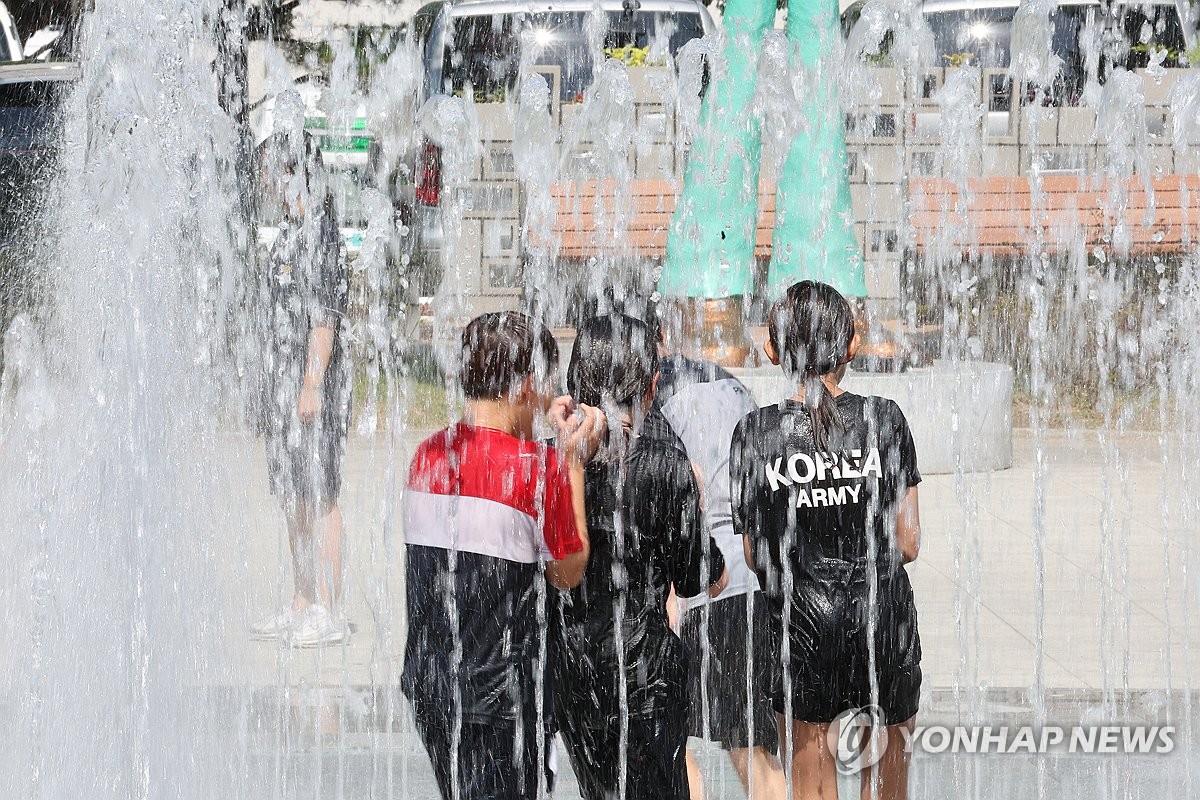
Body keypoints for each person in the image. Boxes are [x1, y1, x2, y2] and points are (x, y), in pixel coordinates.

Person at [730, 281, 922, 800]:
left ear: (773, 351)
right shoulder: (885, 421)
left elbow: (753, 555)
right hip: (882, 620)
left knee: (811, 788)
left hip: (801, 624)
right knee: (886, 783)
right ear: (851, 346)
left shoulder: (755, 434)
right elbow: (907, 543)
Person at [401, 311, 598, 800]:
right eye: (547, 385)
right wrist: (570, 461)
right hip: (500, 699)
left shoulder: (428, 455)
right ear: (527, 385)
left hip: (431, 686)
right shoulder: (540, 470)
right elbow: (568, 571)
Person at [551, 313, 728, 800]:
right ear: (651, 387)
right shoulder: (665, 464)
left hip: (575, 672)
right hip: (646, 673)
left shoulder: (553, 462)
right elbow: (700, 579)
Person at [651, 318, 786, 800]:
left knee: (673, 743)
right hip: (760, 578)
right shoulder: (728, 382)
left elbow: (677, 501)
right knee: (753, 742)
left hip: (709, 586)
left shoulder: (650, 399)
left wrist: (670, 611)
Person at [249, 130, 353, 648]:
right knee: (293, 496)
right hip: (282, 386)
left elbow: (324, 317)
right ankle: (301, 599)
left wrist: (311, 385)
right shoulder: (290, 230)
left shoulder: (321, 232)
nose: (264, 178)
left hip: (315, 389)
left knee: (321, 495)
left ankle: (329, 607)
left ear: (294, 171)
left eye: (269, 167)